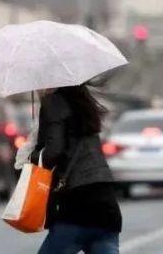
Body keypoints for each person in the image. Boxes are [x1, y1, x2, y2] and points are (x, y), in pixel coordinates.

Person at [30, 84, 122, 254]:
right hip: (107, 207)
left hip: (76, 205)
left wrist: (32, 156)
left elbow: (54, 151)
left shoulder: (53, 102)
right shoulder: (84, 104)